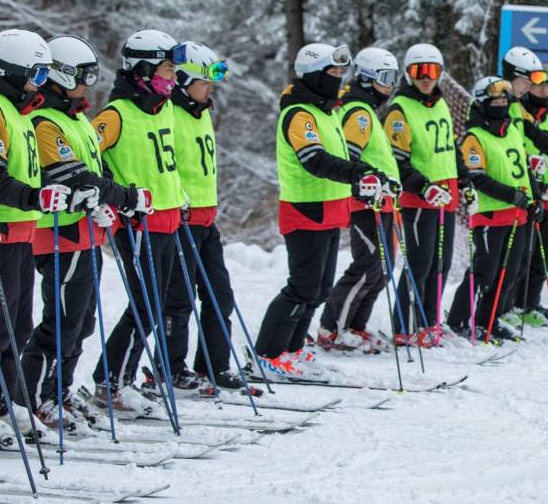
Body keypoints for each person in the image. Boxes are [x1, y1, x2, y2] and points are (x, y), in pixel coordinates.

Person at [22, 35, 145, 425]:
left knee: (83, 322)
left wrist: (106, 201)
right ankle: (36, 397)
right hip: (58, 234)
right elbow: (72, 175)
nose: (87, 85)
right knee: (61, 322)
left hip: (85, 231)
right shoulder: (44, 122)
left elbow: (96, 170)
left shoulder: (76, 119)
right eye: (81, 77)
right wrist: (123, 196)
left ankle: (60, 389)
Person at [256, 43, 393, 378]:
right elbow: (314, 160)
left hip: (331, 209)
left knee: (318, 290)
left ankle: (293, 349)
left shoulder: (327, 112)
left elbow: (344, 157)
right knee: (301, 287)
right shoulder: (299, 114)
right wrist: (357, 172)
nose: (339, 78)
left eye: (340, 72)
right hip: (306, 209)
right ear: (314, 75)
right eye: (332, 73)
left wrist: (367, 177)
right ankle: (268, 353)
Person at [0, 29, 72, 441]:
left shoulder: (19, 111)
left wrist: (47, 193)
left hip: (22, 232)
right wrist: (34, 196)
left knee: (19, 325)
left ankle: (1, 402)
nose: (42, 84)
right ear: (14, 72)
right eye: (38, 75)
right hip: (0, 232)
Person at [92, 30, 185, 398]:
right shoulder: (116, 114)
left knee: (158, 305)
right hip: (137, 223)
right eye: (166, 69)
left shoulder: (166, 109)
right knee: (147, 305)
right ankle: (111, 381)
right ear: (143, 71)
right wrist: (118, 196)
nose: (172, 78)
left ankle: (119, 378)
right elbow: (89, 156)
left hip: (167, 220)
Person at [160, 41, 249, 390]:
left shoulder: (201, 113)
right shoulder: (169, 114)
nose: (210, 87)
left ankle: (213, 365)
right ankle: (169, 366)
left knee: (219, 295)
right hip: (180, 220)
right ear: (183, 81)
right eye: (204, 80)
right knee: (178, 299)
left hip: (206, 220)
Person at [317, 47, 404, 352]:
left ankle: (356, 326)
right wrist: (368, 186)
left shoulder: (366, 109)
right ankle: (332, 328)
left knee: (382, 267)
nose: (390, 86)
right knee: (369, 265)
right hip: (366, 203)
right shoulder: (359, 112)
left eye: (394, 79)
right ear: (367, 78)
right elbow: (349, 156)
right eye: (385, 78)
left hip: (383, 202)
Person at [446, 76, 535, 343]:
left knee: (510, 273)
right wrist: (511, 195)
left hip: (517, 215)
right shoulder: (475, 137)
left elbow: (524, 169)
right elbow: (478, 177)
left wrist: (535, 198)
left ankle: (488, 320)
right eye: (494, 101)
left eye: (504, 100)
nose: (500, 105)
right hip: (490, 214)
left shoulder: (512, 131)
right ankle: (459, 320)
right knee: (484, 271)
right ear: (483, 103)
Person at [386, 43, 459, 349]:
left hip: (447, 193)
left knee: (442, 262)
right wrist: (423, 186)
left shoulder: (440, 104)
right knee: (420, 262)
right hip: (420, 198)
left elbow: (450, 149)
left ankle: (429, 322)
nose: (426, 78)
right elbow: (396, 161)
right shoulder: (400, 110)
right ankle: (404, 324)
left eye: (433, 71)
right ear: (408, 73)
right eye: (419, 71)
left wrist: (464, 183)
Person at [510, 67, 548, 328]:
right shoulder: (521, 116)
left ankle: (529, 303)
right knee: (522, 254)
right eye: (539, 85)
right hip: (529, 194)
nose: (545, 91)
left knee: (543, 256)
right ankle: (512, 303)